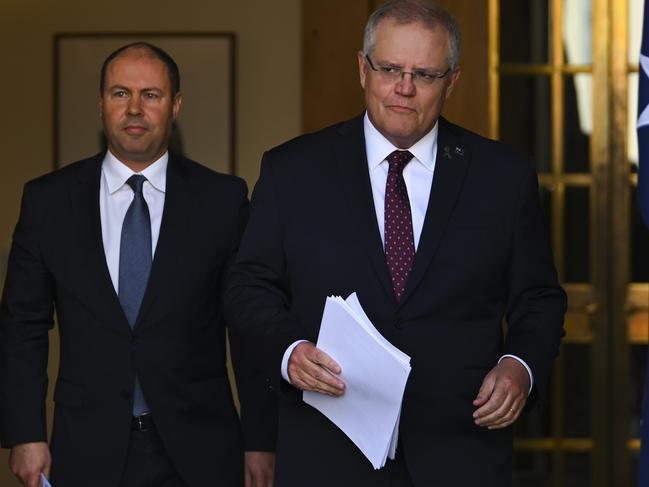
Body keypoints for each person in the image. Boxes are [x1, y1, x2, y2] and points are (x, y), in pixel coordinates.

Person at [225, 1, 566, 486]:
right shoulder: (292, 171)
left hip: (460, 452)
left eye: (424, 74)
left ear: (452, 81)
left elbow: (539, 298)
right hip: (327, 451)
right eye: (390, 69)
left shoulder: (502, 177)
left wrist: (520, 366)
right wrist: (289, 350)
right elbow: (248, 287)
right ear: (362, 69)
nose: (404, 88)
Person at [0, 42, 276, 487]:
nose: (134, 109)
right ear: (101, 103)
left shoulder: (223, 202)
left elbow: (249, 327)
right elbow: (21, 325)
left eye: (150, 95)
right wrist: (25, 433)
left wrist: (261, 440)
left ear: (176, 105)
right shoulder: (48, 201)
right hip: (84, 446)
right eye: (119, 93)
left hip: (201, 447)